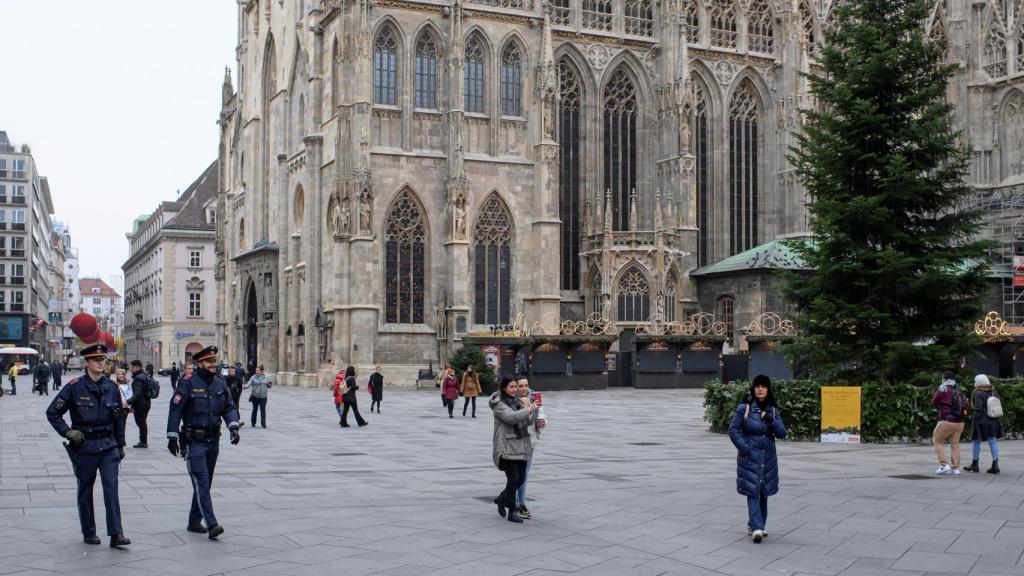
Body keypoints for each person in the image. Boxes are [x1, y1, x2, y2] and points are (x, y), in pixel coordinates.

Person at [45, 343, 130, 547]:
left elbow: (119, 418)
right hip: (85, 446)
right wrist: (67, 432)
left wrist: (120, 445)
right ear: (87, 363)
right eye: (97, 360)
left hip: (108, 446)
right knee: (85, 489)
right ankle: (89, 531)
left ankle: (116, 534)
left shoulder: (112, 387)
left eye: (103, 360)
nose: (102, 363)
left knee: (111, 488)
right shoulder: (74, 387)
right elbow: (53, 412)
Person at [166, 346, 240, 539]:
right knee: (202, 481)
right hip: (194, 442)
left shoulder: (219, 383)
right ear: (200, 363)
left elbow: (229, 407)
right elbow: (175, 410)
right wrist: (172, 436)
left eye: (214, 361)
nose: (213, 365)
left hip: (213, 441)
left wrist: (233, 426)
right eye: (209, 362)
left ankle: (193, 521)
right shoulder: (187, 384)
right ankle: (212, 523)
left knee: (204, 485)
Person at [728, 374, 787, 543]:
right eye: (757, 386)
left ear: (768, 390)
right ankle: (757, 528)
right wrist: (745, 448)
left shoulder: (773, 410)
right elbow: (733, 430)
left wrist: (770, 420)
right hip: (750, 457)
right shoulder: (744, 408)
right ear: (753, 389)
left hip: (767, 459)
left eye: (764, 386)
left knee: (763, 492)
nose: (760, 389)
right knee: (753, 491)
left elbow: (782, 433)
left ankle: (754, 523)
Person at [489, 376, 538, 523]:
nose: (515, 390)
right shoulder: (499, 404)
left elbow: (526, 419)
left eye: (515, 387)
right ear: (504, 388)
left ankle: (500, 499)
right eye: (511, 387)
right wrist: (529, 409)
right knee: (513, 479)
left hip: (521, 446)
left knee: (521, 479)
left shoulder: (518, 401)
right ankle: (512, 511)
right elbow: (511, 417)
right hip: (506, 447)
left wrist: (535, 416)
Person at [514, 378, 546, 519]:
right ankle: (511, 501)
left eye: (526, 385)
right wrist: (527, 408)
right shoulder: (511, 398)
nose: (524, 388)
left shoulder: (534, 396)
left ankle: (521, 503)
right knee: (514, 475)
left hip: (530, 440)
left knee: (524, 474)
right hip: (514, 441)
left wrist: (542, 422)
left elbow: (542, 413)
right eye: (520, 386)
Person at [965, 374, 1002, 474]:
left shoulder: (978, 392)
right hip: (993, 419)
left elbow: (978, 408)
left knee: (976, 441)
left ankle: (975, 464)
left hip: (981, 421)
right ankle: (995, 465)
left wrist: (975, 419)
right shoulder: (993, 390)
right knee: (993, 441)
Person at [931, 371, 966, 476]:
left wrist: (939, 391)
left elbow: (933, 403)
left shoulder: (943, 389)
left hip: (947, 421)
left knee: (937, 441)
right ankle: (955, 469)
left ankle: (944, 465)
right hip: (960, 423)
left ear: (944, 379)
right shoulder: (959, 391)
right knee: (955, 445)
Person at [128, 360, 153, 448]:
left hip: (141, 404)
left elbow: (137, 394)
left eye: (132, 367)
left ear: (137, 368)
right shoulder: (144, 375)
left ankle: (143, 441)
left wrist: (127, 402)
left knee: (141, 422)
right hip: (146, 402)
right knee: (142, 422)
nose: (131, 369)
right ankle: (143, 441)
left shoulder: (138, 378)